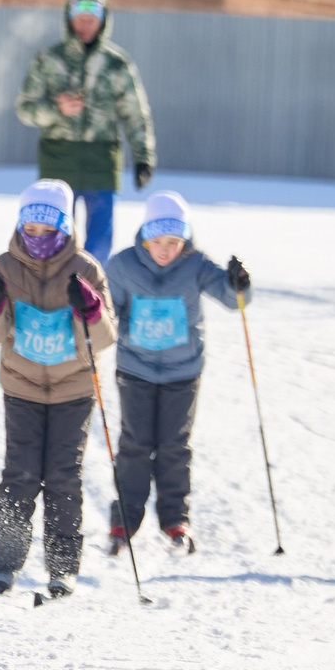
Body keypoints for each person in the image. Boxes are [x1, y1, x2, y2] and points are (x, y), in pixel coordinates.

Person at [0, 179, 114, 598]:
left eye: (46, 231)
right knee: (20, 475)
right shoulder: (5, 266)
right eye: (29, 230)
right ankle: (5, 562)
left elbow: (105, 340)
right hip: (22, 387)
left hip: (74, 390)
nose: (36, 239)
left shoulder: (87, 269)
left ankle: (63, 567)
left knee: (63, 477)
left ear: (65, 229)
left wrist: (91, 311)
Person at [100, 190, 251, 556]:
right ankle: (125, 518)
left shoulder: (195, 264)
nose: (165, 249)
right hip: (135, 368)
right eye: (158, 241)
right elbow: (108, 312)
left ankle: (174, 518)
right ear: (145, 236)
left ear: (185, 239)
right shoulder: (122, 266)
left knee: (174, 447)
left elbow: (234, 302)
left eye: (174, 241)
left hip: (183, 371)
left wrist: (238, 283)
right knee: (135, 444)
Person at [16, 0, 155, 262]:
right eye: (80, 18)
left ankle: (89, 296)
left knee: (100, 241)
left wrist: (143, 157)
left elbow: (134, 112)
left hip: (100, 161)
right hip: (58, 160)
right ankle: (53, 296)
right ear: (69, 18)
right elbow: (25, 109)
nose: (85, 25)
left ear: (104, 20)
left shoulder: (117, 64)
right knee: (51, 236)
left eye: (92, 19)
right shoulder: (49, 59)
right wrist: (57, 109)